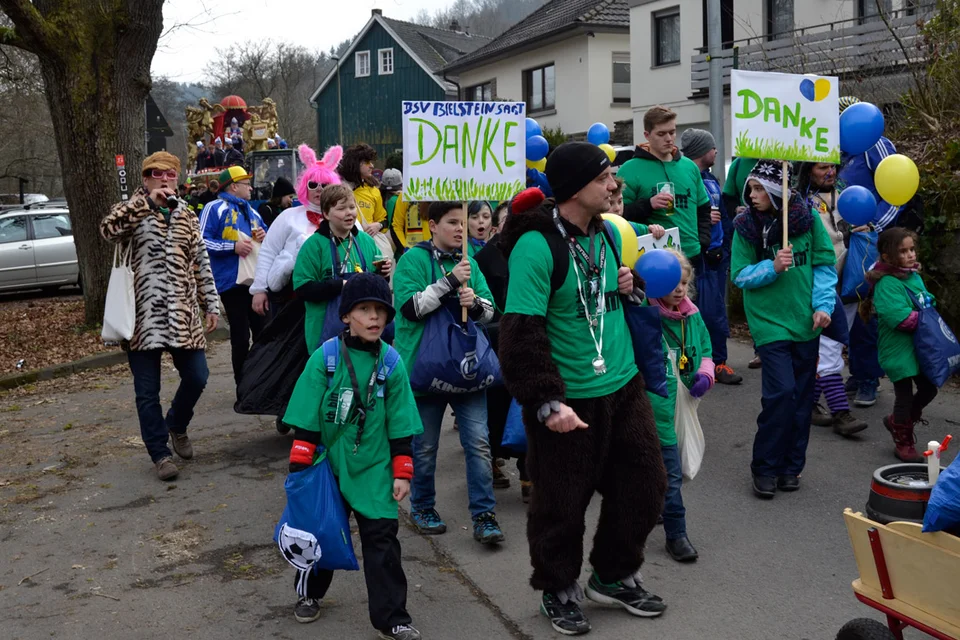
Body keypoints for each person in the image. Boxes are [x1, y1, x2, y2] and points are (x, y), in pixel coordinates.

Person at [497, 142, 667, 636]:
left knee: (646, 485)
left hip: (623, 385)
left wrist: (625, 283)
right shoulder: (537, 245)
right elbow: (520, 332)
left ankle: (612, 576)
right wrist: (546, 401)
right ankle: (558, 588)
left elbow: (603, 292)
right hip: (566, 396)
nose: (616, 185)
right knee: (561, 505)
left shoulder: (606, 234)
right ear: (575, 188)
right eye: (605, 178)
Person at [282, 273, 423, 640]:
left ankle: (392, 618)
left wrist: (402, 471)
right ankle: (310, 593)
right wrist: (300, 472)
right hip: (329, 466)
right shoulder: (325, 358)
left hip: (374, 467)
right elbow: (307, 418)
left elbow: (402, 423)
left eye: (380, 310)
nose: (374, 317)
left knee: (382, 541)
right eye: (364, 309)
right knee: (322, 533)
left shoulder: (392, 363)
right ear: (346, 316)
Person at [100, 152, 219, 481]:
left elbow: (201, 263)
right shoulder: (131, 211)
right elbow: (108, 230)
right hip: (142, 318)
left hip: (182, 313)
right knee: (146, 391)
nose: (164, 179)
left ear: (178, 180)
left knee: (198, 376)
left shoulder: (187, 216)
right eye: (156, 174)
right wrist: (146, 205)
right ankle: (160, 453)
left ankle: (176, 425)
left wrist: (211, 303)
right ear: (145, 178)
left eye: (170, 174)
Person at [392, 202, 504, 545]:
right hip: (425, 371)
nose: (461, 229)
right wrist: (449, 283)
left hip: (467, 370)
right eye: (452, 222)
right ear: (432, 225)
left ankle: (484, 515)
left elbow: (490, 313)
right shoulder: (413, 259)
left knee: (479, 444)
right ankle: (423, 507)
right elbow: (410, 308)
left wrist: (475, 303)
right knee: (424, 447)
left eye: (463, 222)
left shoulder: (468, 262)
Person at [731, 160, 838, 499]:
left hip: (805, 321)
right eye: (751, 188)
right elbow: (740, 275)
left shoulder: (808, 221)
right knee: (781, 394)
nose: (752, 194)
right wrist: (772, 267)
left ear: (779, 192)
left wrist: (823, 305)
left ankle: (790, 466)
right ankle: (763, 467)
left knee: (802, 399)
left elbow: (823, 264)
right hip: (769, 322)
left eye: (760, 188)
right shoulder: (745, 226)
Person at [648, 249, 713, 563]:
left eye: (684, 283)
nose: (679, 289)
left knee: (672, 472)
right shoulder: (644, 316)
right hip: (655, 410)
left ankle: (657, 504)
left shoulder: (693, 314)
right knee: (672, 473)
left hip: (684, 404)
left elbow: (706, 349)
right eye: (673, 282)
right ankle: (677, 535)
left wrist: (705, 373)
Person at [796, 162, 869, 436]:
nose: (830, 173)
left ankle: (809, 401)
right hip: (820, 285)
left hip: (849, 281)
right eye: (822, 168)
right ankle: (841, 413)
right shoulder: (800, 200)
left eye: (832, 167)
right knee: (828, 349)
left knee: (832, 346)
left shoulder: (846, 193)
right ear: (808, 170)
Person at [838, 96, 895, 408]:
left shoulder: (874, 144)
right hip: (839, 240)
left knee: (865, 311)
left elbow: (896, 191)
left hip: (869, 242)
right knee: (843, 307)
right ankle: (857, 372)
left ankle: (868, 379)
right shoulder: (834, 150)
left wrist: (875, 224)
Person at [862, 228, 937, 462]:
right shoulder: (886, 283)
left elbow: (925, 299)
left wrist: (928, 307)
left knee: (929, 387)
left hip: (918, 346)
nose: (911, 255)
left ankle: (897, 421)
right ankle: (902, 440)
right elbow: (900, 318)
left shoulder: (913, 276)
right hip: (898, 348)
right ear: (886, 256)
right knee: (904, 395)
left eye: (912, 249)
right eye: (903, 251)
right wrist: (926, 317)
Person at [472, 196, 530, 501]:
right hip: (495, 340)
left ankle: (528, 472)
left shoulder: (534, 252)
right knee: (496, 405)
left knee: (528, 405)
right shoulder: (484, 258)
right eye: (507, 219)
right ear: (496, 226)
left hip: (529, 339)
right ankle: (493, 457)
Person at [679, 128, 743, 386]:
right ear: (702, 151)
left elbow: (723, 218)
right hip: (699, 257)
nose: (717, 151)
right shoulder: (688, 178)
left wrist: (725, 246)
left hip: (717, 257)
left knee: (716, 312)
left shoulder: (711, 179)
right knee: (704, 313)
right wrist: (703, 222)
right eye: (713, 147)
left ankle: (717, 361)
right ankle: (710, 362)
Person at [252, 145, 343, 321]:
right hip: (291, 301)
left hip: (334, 299)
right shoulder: (288, 217)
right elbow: (268, 252)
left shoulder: (346, 219)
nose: (319, 189)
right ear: (305, 187)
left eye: (325, 184)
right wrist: (259, 290)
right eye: (313, 184)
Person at [293, 184, 387, 353]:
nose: (349, 213)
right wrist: (339, 286)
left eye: (352, 207)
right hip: (325, 330)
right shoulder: (313, 246)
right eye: (342, 208)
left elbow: (377, 285)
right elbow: (302, 288)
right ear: (326, 214)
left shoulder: (366, 241)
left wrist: (382, 274)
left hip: (364, 330)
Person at [200, 165, 268, 386]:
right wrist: (232, 247)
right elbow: (201, 241)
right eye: (246, 184)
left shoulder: (253, 210)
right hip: (230, 283)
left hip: (255, 283)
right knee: (240, 337)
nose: (250, 188)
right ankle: (243, 385)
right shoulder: (213, 207)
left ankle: (260, 382)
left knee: (262, 334)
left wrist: (263, 235)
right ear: (234, 186)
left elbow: (268, 240)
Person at [619, 106, 712, 265]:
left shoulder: (689, 166)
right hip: (654, 257)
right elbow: (618, 216)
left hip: (692, 254)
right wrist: (648, 204)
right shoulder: (629, 169)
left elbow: (703, 208)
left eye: (672, 132)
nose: (669, 138)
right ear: (647, 135)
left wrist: (703, 242)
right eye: (661, 134)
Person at [722, 155, 762, 369]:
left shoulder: (781, 158)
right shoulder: (739, 164)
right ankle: (760, 347)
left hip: (775, 233)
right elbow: (728, 197)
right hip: (747, 232)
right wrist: (735, 210)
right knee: (751, 286)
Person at [340, 144, 392, 253]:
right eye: (367, 162)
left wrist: (379, 225)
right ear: (355, 163)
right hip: (342, 246)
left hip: (367, 247)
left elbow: (384, 219)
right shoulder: (336, 188)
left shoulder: (373, 191)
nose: (372, 166)